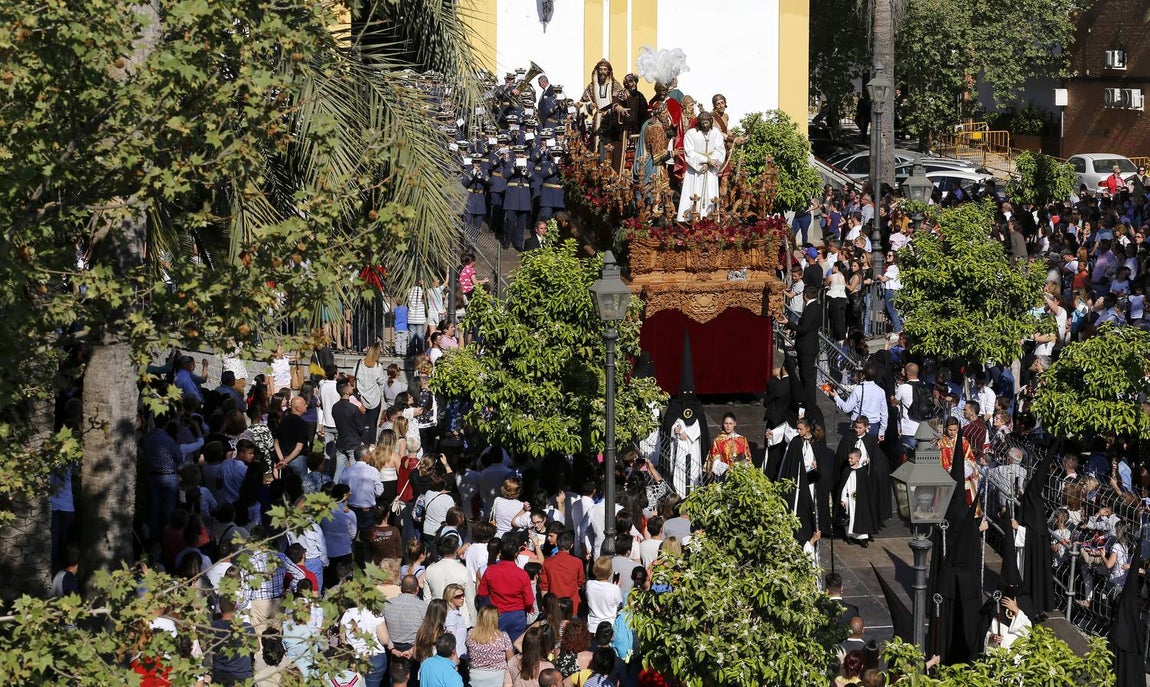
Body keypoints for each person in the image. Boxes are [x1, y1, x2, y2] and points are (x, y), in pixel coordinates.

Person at [478, 537, 535, 641]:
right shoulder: (522, 574)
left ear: (500, 553)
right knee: (515, 646)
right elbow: (529, 600)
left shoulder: (490, 570)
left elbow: (482, 593)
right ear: (516, 554)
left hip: (497, 614)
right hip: (517, 615)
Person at [676, 112, 726, 221]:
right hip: (695, 170)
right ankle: (691, 218)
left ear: (711, 122)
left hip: (710, 169)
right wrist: (706, 160)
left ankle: (710, 218)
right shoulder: (691, 134)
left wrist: (710, 162)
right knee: (694, 192)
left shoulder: (716, 133)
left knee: (710, 192)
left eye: (707, 123)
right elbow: (689, 152)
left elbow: (720, 149)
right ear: (699, 122)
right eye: (702, 123)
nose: (705, 125)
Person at [580, 59, 628, 165]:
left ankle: (611, 165)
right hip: (598, 118)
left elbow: (622, 101)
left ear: (609, 71)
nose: (602, 72)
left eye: (605, 69)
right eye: (600, 69)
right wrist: (590, 106)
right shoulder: (591, 87)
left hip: (611, 117)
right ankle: (599, 164)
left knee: (610, 142)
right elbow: (583, 102)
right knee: (597, 143)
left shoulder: (615, 85)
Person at [540, 530, 586, 615]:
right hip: (572, 604)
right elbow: (580, 582)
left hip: (554, 605)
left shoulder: (548, 563)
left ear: (557, 544)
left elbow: (544, 586)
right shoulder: (577, 562)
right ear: (571, 545)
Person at [467, 606, 515, 687]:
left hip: (476, 677)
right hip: (498, 677)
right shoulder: (503, 636)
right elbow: (511, 660)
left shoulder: (470, 634)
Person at [584, 556, 623, 632]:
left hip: (592, 626)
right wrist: (617, 587)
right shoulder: (614, 589)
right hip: (609, 627)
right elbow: (619, 604)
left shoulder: (589, 584)